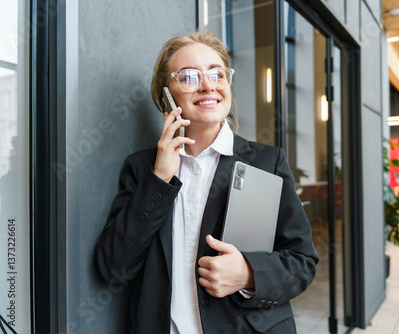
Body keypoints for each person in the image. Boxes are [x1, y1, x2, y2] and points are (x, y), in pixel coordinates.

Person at [94, 30, 318, 334]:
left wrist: (249, 274)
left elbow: (302, 262)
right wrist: (159, 180)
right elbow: (113, 269)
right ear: (166, 95)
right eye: (188, 76)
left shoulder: (267, 163)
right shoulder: (143, 168)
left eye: (217, 74)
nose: (208, 85)